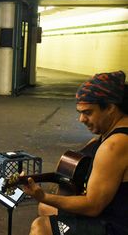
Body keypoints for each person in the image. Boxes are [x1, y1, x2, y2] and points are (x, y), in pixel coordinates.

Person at [22, 71, 128, 235]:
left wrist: (44, 196)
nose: (81, 119)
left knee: (41, 226)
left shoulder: (114, 146)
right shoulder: (113, 130)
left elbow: (93, 206)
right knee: (46, 208)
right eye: (80, 112)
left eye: (88, 112)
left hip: (117, 225)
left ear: (110, 108)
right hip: (112, 210)